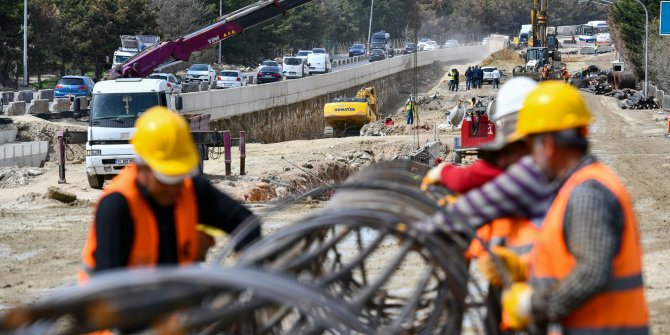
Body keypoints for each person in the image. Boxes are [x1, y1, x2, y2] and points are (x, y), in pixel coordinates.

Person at [487, 82, 649, 334]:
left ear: (548, 145)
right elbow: (569, 260)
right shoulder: (574, 187)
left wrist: (533, 304)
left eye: (530, 147)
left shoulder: (587, 193)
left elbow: (591, 272)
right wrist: (525, 267)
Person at [79, 106, 261, 281]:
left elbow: (247, 224)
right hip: (123, 305)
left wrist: (248, 276)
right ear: (142, 167)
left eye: (179, 175)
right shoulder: (117, 206)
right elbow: (106, 297)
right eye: (166, 177)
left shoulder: (189, 188)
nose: (174, 187)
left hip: (174, 299)